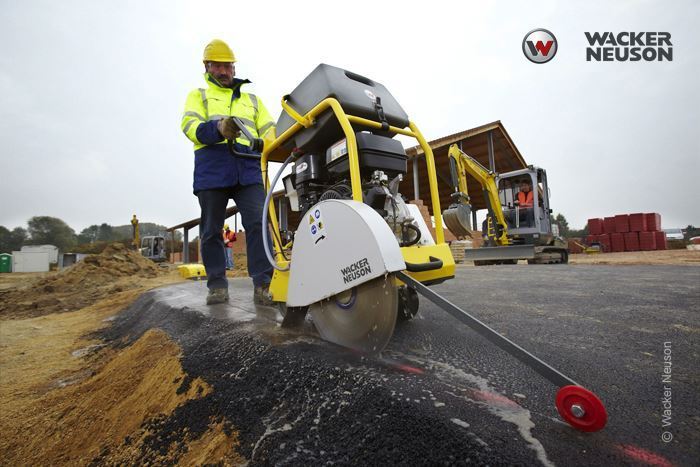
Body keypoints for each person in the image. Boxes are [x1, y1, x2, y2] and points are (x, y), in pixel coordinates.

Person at [181, 39, 275, 305]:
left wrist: (282, 143)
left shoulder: (253, 100)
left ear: (234, 68)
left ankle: (264, 284)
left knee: (258, 223)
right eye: (217, 66)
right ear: (207, 67)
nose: (223, 71)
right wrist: (218, 129)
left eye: (227, 66)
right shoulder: (197, 95)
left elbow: (270, 131)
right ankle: (217, 286)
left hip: (248, 166)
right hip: (213, 166)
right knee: (211, 229)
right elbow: (189, 127)